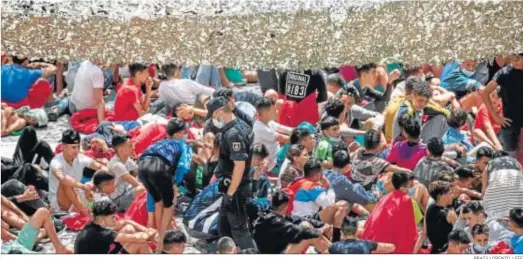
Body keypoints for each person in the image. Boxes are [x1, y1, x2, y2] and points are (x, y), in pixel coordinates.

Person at [210, 96, 257, 250]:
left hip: (236, 188)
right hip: (231, 187)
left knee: (239, 229)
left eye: (212, 115)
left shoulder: (233, 134)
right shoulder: (241, 125)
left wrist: (230, 194)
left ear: (218, 113)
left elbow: (239, 166)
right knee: (224, 224)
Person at [138, 118, 192, 251]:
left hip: (142, 168)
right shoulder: (182, 145)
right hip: (159, 168)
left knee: (159, 201)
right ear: (179, 134)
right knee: (169, 203)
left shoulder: (159, 143)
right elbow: (183, 167)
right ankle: (162, 242)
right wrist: (176, 183)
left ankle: (159, 236)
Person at [287, 158, 348, 242]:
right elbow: (329, 202)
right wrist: (328, 186)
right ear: (317, 174)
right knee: (342, 204)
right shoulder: (312, 186)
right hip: (307, 219)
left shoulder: (298, 181)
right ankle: (335, 238)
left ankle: (331, 235)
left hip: (295, 218)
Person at [252, 191, 331, 254]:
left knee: (305, 224)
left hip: (279, 250)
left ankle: (333, 249)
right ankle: (334, 251)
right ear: (286, 206)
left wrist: (322, 225)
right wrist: (321, 230)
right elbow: (302, 232)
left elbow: (297, 219)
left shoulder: (273, 215)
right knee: (308, 235)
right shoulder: (273, 220)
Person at [360, 172, 420, 254]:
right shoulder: (406, 199)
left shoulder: (386, 197)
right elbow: (409, 227)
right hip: (388, 245)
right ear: (402, 188)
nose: (413, 188)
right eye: (411, 186)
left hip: (373, 242)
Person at [49, 129, 106, 216]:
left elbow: (102, 167)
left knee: (97, 191)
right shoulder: (56, 162)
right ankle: (86, 214)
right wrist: (83, 186)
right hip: (60, 202)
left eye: (78, 147)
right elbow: (63, 179)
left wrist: (92, 183)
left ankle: (89, 209)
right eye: (73, 147)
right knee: (66, 181)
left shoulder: (81, 158)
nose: (77, 150)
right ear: (64, 146)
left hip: (76, 195)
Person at [74, 198, 156, 254]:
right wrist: (151, 232)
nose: (116, 219)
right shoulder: (102, 233)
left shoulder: (94, 224)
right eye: (113, 217)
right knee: (140, 243)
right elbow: (140, 238)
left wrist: (146, 230)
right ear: (103, 219)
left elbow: (126, 222)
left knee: (128, 228)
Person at [482, 53, 523, 158]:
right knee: (510, 158)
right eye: (512, 59)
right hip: (509, 122)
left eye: (517, 59)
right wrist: (495, 116)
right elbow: (485, 93)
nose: (514, 63)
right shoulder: (504, 73)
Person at [0, 196, 72, 254]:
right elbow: (5, 228)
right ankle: (41, 234)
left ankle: (60, 248)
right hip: (10, 250)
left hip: (15, 243)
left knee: (43, 212)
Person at [106, 134, 145, 212]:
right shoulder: (117, 165)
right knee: (141, 189)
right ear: (121, 150)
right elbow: (136, 184)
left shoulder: (127, 159)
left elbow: (140, 171)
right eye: (130, 146)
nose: (133, 148)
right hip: (117, 200)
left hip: (126, 190)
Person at [253, 97, 292, 172]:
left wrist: (300, 129)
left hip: (277, 156)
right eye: (274, 110)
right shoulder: (259, 127)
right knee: (291, 144)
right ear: (265, 113)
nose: (276, 112)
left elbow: (286, 129)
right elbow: (283, 138)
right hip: (272, 164)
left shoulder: (269, 122)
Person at [481, 153, 523, 218]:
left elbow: (483, 190)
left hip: (497, 203)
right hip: (517, 200)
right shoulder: (515, 161)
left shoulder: (490, 164)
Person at [422, 181, 457, 254]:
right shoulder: (450, 214)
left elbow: (424, 234)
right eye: (450, 193)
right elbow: (459, 235)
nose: (452, 195)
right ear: (442, 196)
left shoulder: (429, 209)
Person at [329, 216, 396, 254]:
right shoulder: (366, 244)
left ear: (342, 232)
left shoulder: (333, 247)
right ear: (357, 231)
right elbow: (392, 247)